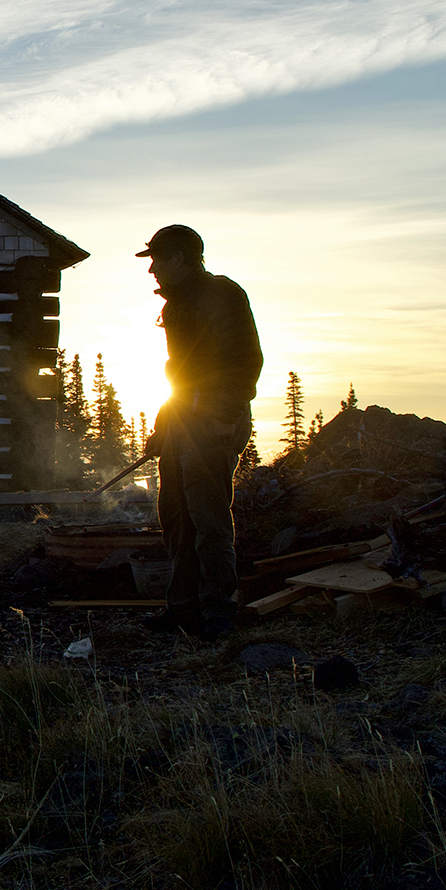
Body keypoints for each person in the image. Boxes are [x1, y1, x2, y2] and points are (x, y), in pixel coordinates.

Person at [137, 224, 263, 637]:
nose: (151, 269)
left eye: (156, 259)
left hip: (212, 420)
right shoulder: (177, 305)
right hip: (183, 422)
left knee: (207, 516)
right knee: (175, 514)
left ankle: (220, 610)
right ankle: (184, 608)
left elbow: (245, 360)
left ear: (179, 258)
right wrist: (163, 423)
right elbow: (179, 373)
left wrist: (224, 415)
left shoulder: (223, 294)